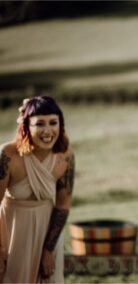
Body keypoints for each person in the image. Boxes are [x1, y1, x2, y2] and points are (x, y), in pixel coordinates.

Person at [0, 96, 75, 283]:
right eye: (39, 124)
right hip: (11, 231)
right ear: (26, 126)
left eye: (53, 123)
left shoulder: (65, 156)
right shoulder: (8, 155)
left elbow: (63, 205)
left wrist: (48, 250)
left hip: (47, 231)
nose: (48, 131)